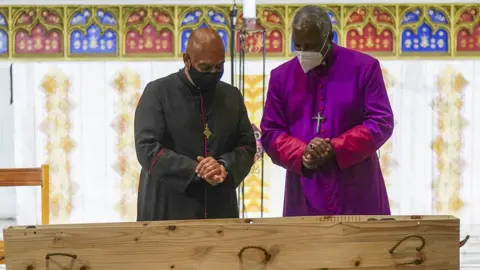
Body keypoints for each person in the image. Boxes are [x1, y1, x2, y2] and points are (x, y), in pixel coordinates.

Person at [260, 5, 394, 216]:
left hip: (356, 187)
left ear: (329, 37)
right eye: (298, 46)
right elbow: (270, 133)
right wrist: (302, 152)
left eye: (311, 46)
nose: (304, 53)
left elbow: (381, 122)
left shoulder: (364, 68)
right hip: (304, 190)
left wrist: (335, 147)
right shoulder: (281, 77)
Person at [134, 27, 256, 221]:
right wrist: (195, 170)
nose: (213, 73)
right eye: (205, 68)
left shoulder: (231, 96)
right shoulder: (158, 92)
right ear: (186, 59)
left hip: (219, 206)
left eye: (219, 67)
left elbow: (247, 146)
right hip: (168, 206)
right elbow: (147, 149)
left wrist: (224, 165)